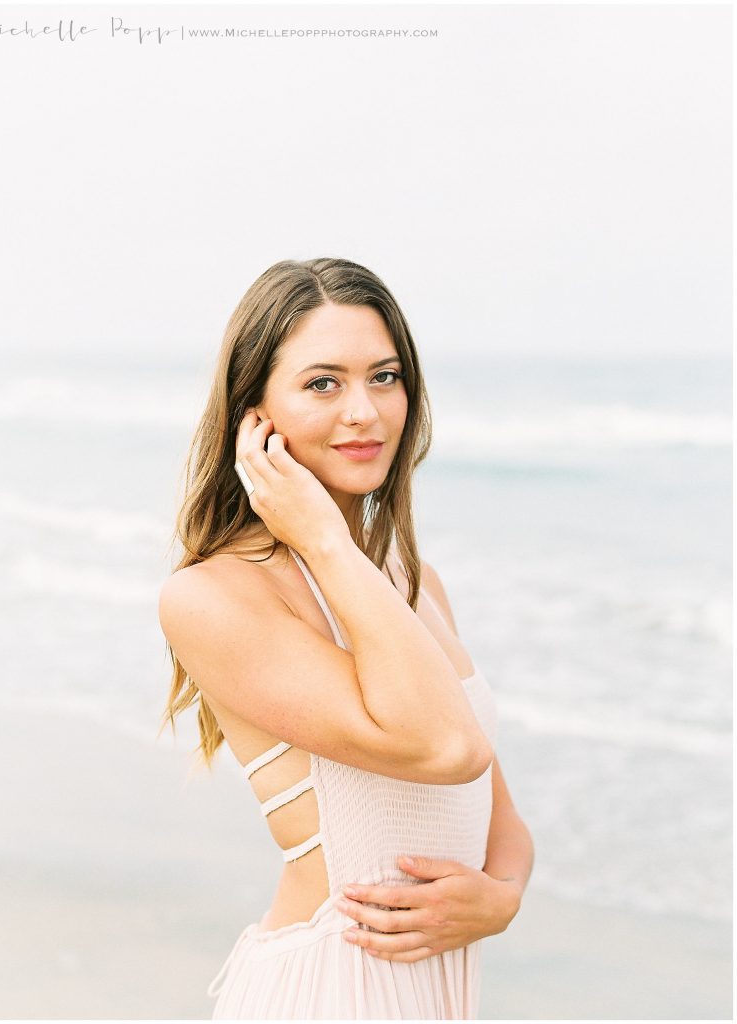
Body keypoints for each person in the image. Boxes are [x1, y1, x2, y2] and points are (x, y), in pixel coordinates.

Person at [158, 257, 534, 1019]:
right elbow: (444, 749)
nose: (363, 411)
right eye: (322, 383)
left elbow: (499, 816)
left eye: (385, 377)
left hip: (433, 991)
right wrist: (325, 542)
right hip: (329, 989)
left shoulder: (415, 584)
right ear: (253, 414)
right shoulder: (212, 597)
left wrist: (503, 900)